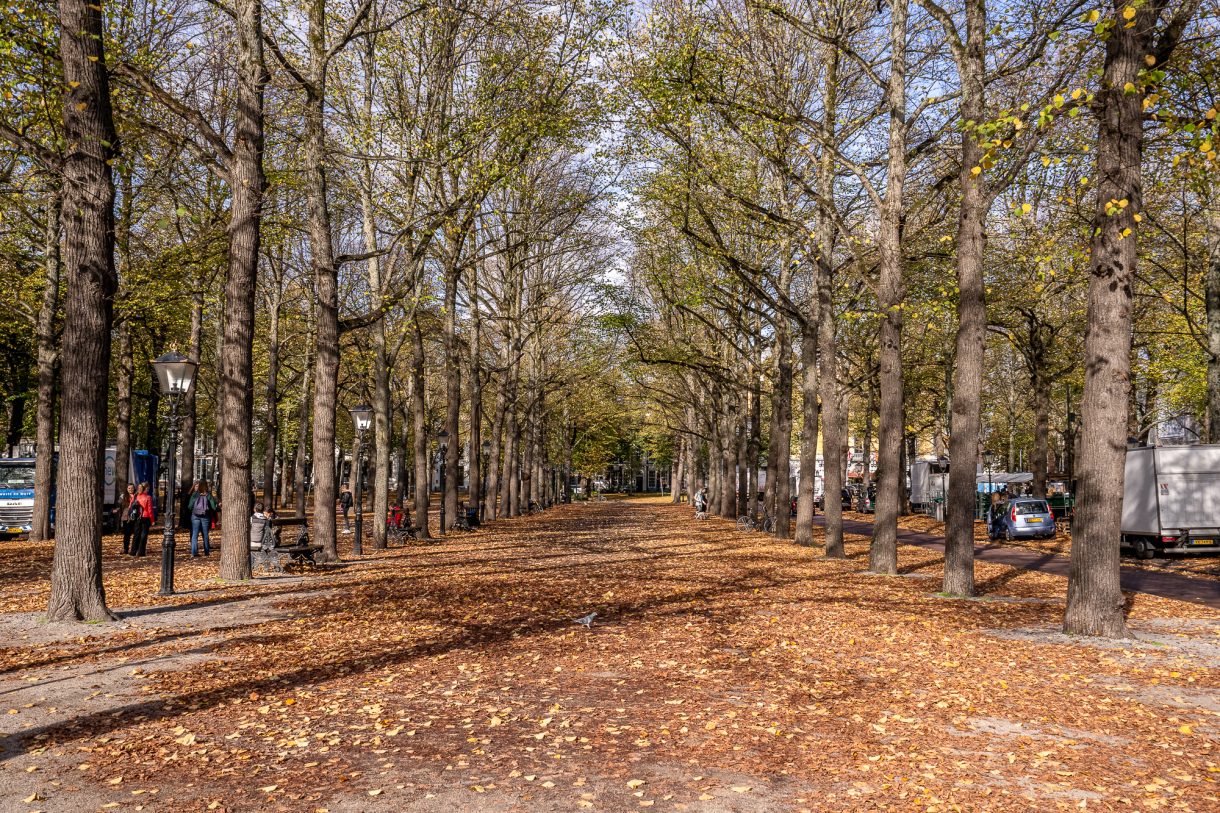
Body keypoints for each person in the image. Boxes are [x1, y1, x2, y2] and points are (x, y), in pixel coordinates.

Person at [188, 480, 218, 557]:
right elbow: (214, 507)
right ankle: (206, 552)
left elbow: (190, 506)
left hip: (195, 516)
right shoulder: (208, 495)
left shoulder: (195, 494)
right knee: (205, 534)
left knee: (195, 534)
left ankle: (194, 552)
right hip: (206, 516)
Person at [131, 482, 155, 557]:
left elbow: (131, 506)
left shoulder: (136, 496)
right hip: (146, 517)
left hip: (137, 517)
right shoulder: (148, 497)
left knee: (136, 534)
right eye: (148, 488)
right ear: (146, 488)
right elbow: (150, 510)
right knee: (144, 535)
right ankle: (141, 551)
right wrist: (152, 520)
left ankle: (133, 551)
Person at [120, 483, 138, 555]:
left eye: (132, 488)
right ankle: (126, 548)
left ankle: (134, 549)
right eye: (129, 488)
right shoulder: (123, 496)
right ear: (127, 489)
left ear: (134, 489)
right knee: (127, 534)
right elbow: (119, 505)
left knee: (135, 533)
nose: (131, 489)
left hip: (135, 516)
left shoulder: (137, 496)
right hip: (126, 516)